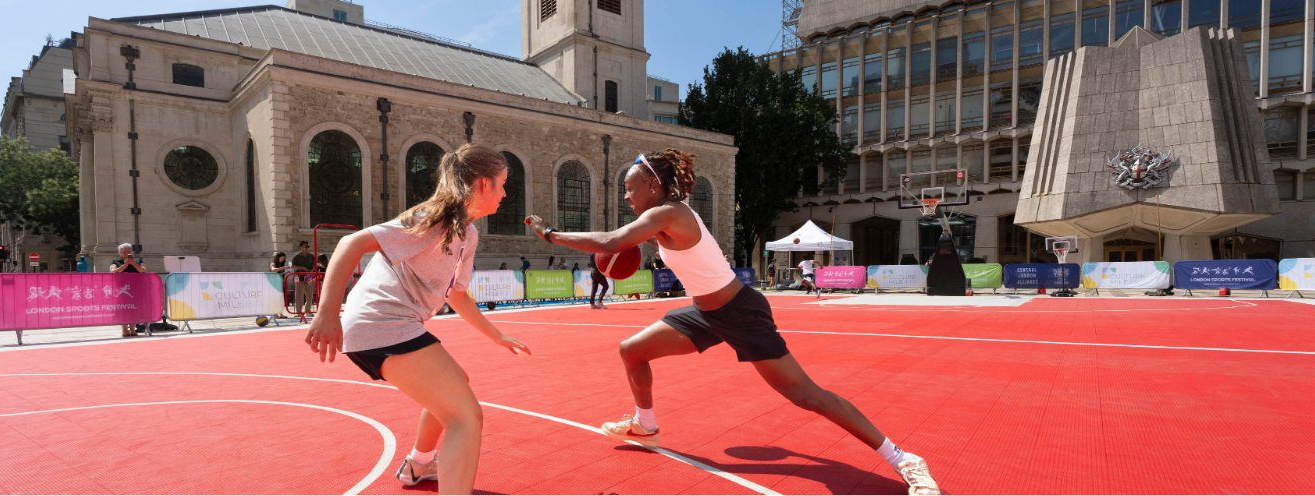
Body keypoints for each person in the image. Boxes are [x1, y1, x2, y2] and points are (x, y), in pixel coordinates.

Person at [524, 149, 939, 495]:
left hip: (739, 311)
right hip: (706, 314)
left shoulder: (668, 213)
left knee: (807, 395)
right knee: (632, 351)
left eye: (630, 188)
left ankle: (905, 459)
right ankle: (646, 426)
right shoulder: (661, 218)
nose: (627, 196)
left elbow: (613, 241)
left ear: (652, 185)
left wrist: (550, 234)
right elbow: (629, 241)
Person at [305, 144, 530, 494]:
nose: (504, 193)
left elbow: (457, 295)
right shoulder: (433, 219)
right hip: (381, 322)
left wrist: (496, 335)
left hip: (394, 324)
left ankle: (421, 463)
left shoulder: (467, 233)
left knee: (456, 386)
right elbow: (351, 243)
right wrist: (327, 313)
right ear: (483, 184)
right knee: (466, 417)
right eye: (502, 184)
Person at [109, 243, 147, 337]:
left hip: (136, 289)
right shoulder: (115, 261)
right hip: (121, 289)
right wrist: (125, 265)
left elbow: (143, 270)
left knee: (134, 308)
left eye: (128, 251)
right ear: (120, 253)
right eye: (124, 252)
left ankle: (133, 329)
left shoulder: (138, 260)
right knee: (123, 309)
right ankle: (124, 329)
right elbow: (113, 271)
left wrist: (134, 264)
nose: (126, 253)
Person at [291, 241, 317, 315]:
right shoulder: (296, 256)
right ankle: (299, 312)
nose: (307, 248)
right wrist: (302, 268)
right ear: (301, 247)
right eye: (306, 246)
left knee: (309, 294)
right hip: (299, 277)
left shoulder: (311, 256)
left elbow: (315, 265)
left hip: (309, 277)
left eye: (308, 246)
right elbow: (292, 266)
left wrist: (312, 270)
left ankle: (308, 311)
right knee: (299, 294)